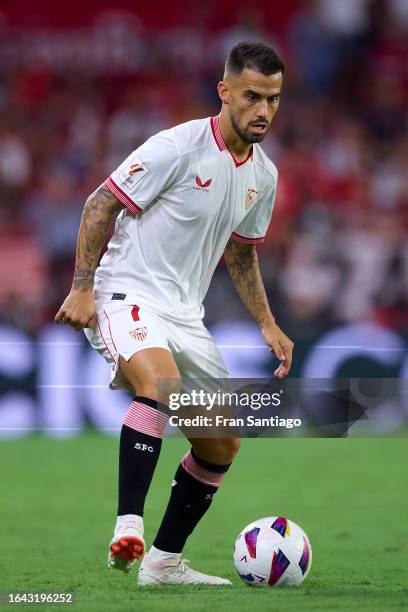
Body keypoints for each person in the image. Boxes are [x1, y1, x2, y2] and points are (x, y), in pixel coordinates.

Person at [55, 40, 293, 586]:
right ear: (225, 92)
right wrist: (82, 288)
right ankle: (127, 527)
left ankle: (163, 564)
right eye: (252, 97)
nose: (263, 111)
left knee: (221, 442)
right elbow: (100, 203)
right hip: (127, 293)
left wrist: (267, 322)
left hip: (187, 314)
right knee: (158, 384)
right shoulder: (178, 146)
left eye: (274, 100)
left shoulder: (265, 175)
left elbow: (240, 250)